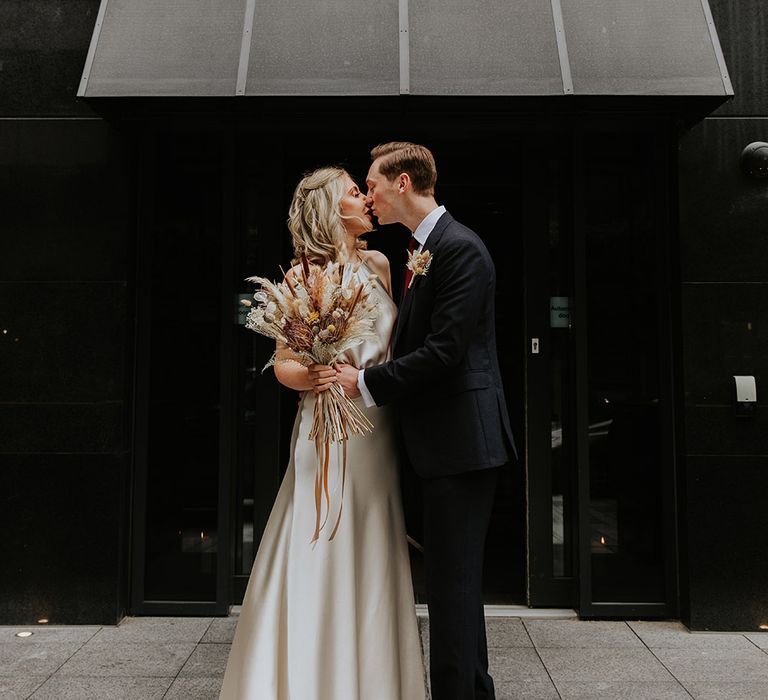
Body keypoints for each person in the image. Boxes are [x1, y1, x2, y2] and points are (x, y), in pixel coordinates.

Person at [219, 166, 426, 700]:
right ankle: (311, 678)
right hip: (327, 430)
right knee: (322, 531)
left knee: (374, 534)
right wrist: (314, 372)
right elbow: (283, 365)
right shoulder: (302, 277)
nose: (365, 197)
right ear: (334, 209)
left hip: (375, 426)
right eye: (355, 191)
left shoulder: (381, 263)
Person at [334, 142, 517, 700]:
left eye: (373, 184)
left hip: (462, 445)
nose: (369, 195)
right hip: (442, 446)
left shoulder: (460, 249)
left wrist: (362, 383)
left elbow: (444, 352)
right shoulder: (425, 248)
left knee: (451, 591)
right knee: (452, 589)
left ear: (404, 184)